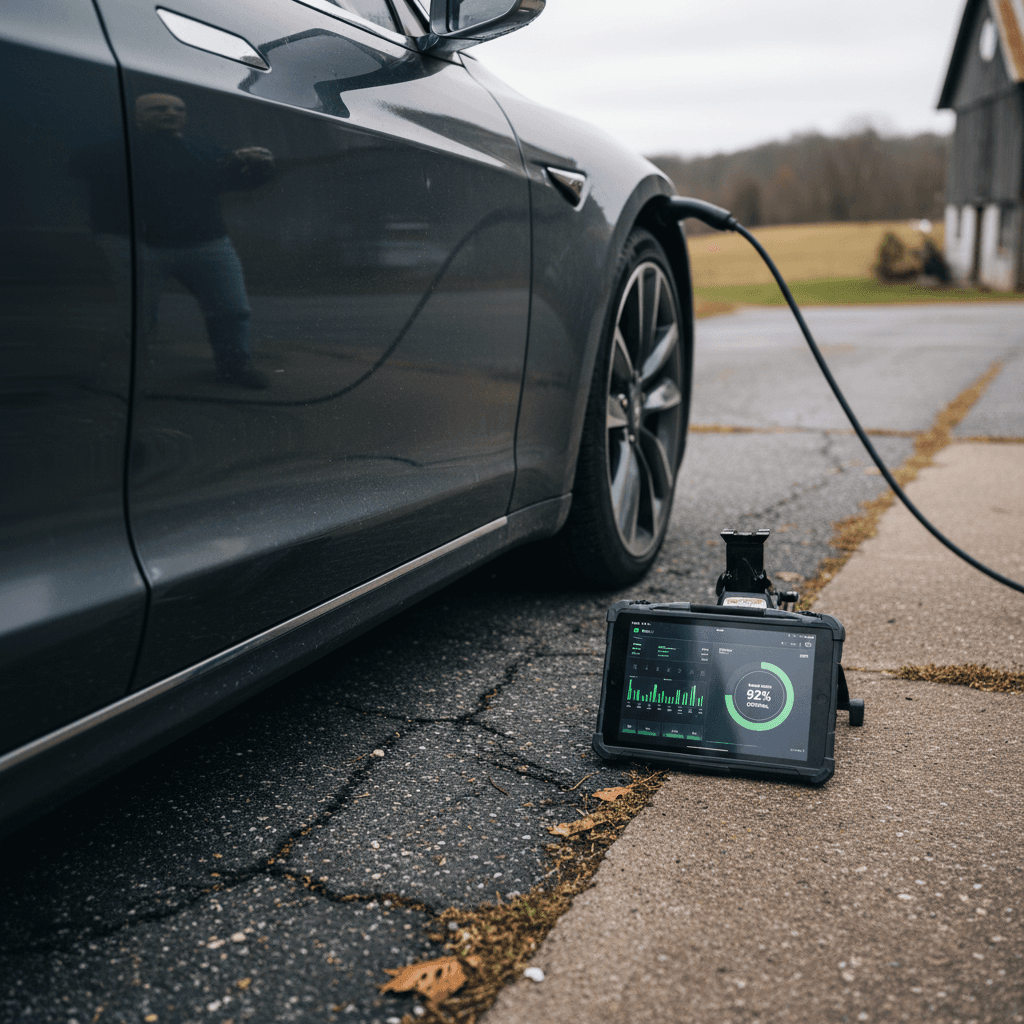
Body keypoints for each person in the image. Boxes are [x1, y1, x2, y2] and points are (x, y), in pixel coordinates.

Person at [73, 92, 275, 387]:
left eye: (178, 108)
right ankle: (119, 377)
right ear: (136, 115)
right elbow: (80, 168)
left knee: (232, 310)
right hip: (135, 244)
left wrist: (259, 168)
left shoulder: (203, 149)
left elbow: (234, 184)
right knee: (137, 320)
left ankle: (235, 368)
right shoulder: (112, 150)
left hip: (207, 244)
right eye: (159, 108)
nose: (171, 113)